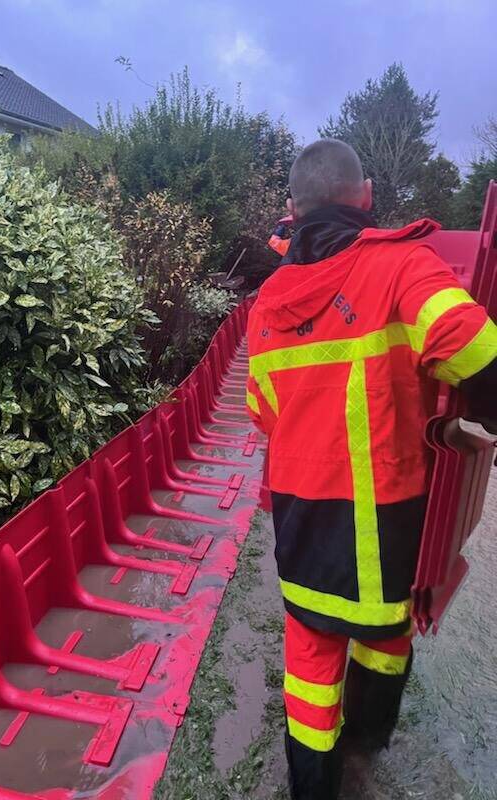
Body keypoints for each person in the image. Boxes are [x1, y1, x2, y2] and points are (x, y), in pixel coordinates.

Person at [245, 138, 497, 800]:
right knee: (386, 635)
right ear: (365, 198)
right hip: (388, 530)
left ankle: (315, 787)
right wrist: (469, 425)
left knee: (308, 665)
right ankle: (372, 740)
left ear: (292, 211)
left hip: (302, 528)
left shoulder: (266, 306)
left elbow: (262, 416)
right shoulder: (404, 269)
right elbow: (481, 357)